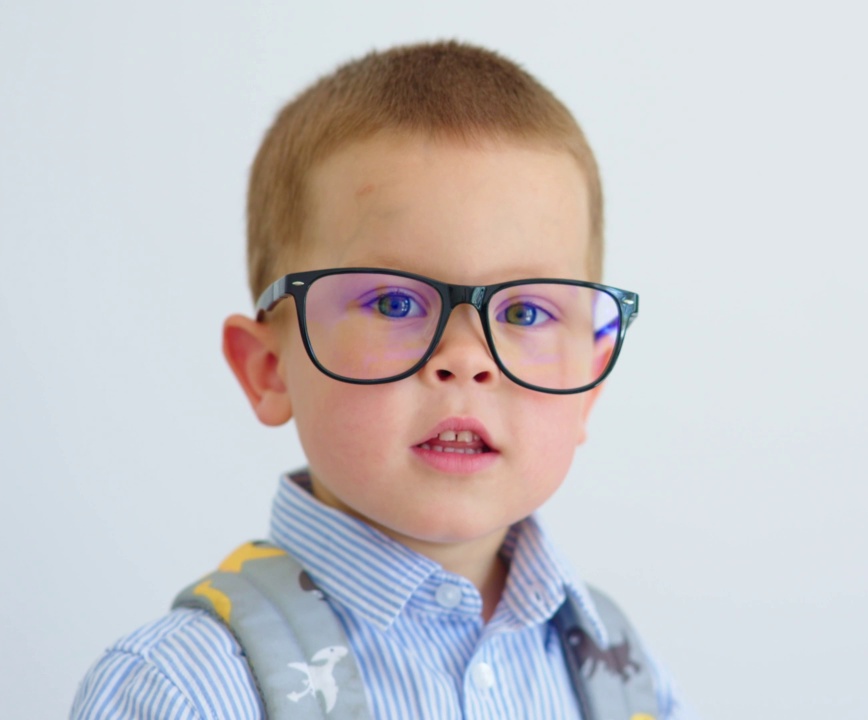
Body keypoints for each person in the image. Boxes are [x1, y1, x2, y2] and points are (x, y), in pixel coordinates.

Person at [71, 40, 689, 719]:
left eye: (525, 310)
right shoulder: (185, 690)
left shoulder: (619, 673)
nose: (466, 356)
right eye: (394, 303)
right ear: (269, 369)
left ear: (591, 385)